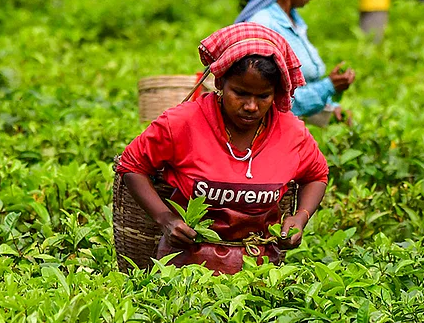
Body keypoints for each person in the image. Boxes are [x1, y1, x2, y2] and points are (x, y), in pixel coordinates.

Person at [116, 24, 329, 275]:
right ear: (220, 82)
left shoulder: (291, 132)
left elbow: (317, 175)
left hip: (259, 272)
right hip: (183, 273)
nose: (251, 106)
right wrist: (165, 218)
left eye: (263, 96)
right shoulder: (183, 123)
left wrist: (300, 217)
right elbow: (131, 165)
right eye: (239, 93)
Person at [235, 0, 355, 123]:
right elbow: (272, 100)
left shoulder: (293, 21)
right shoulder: (263, 25)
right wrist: (328, 87)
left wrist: (330, 107)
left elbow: (301, 86)